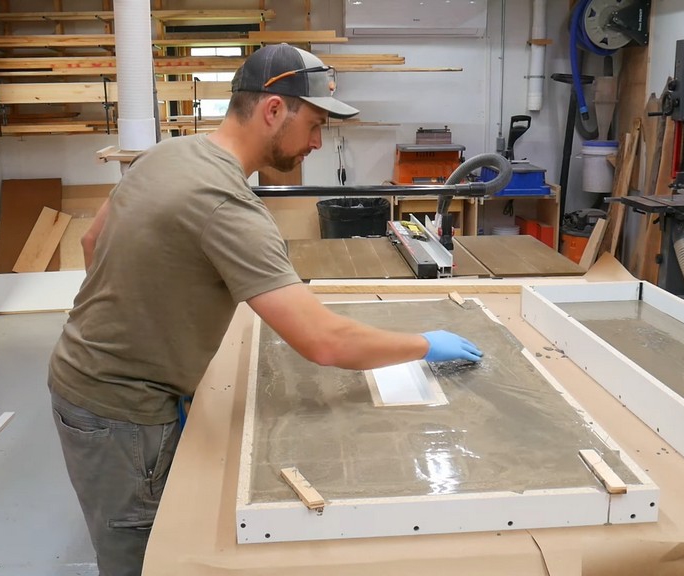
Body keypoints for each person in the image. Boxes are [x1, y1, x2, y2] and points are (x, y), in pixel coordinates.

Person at [48, 43, 483, 576]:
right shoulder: (226, 202)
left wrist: (137, 327)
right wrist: (422, 345)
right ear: (274, 110)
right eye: (316, 124)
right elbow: (324, 341)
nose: (318, 142)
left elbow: (93, 244)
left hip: (85, 378)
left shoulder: (170, 154)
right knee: (145, 561)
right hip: (120, 413)